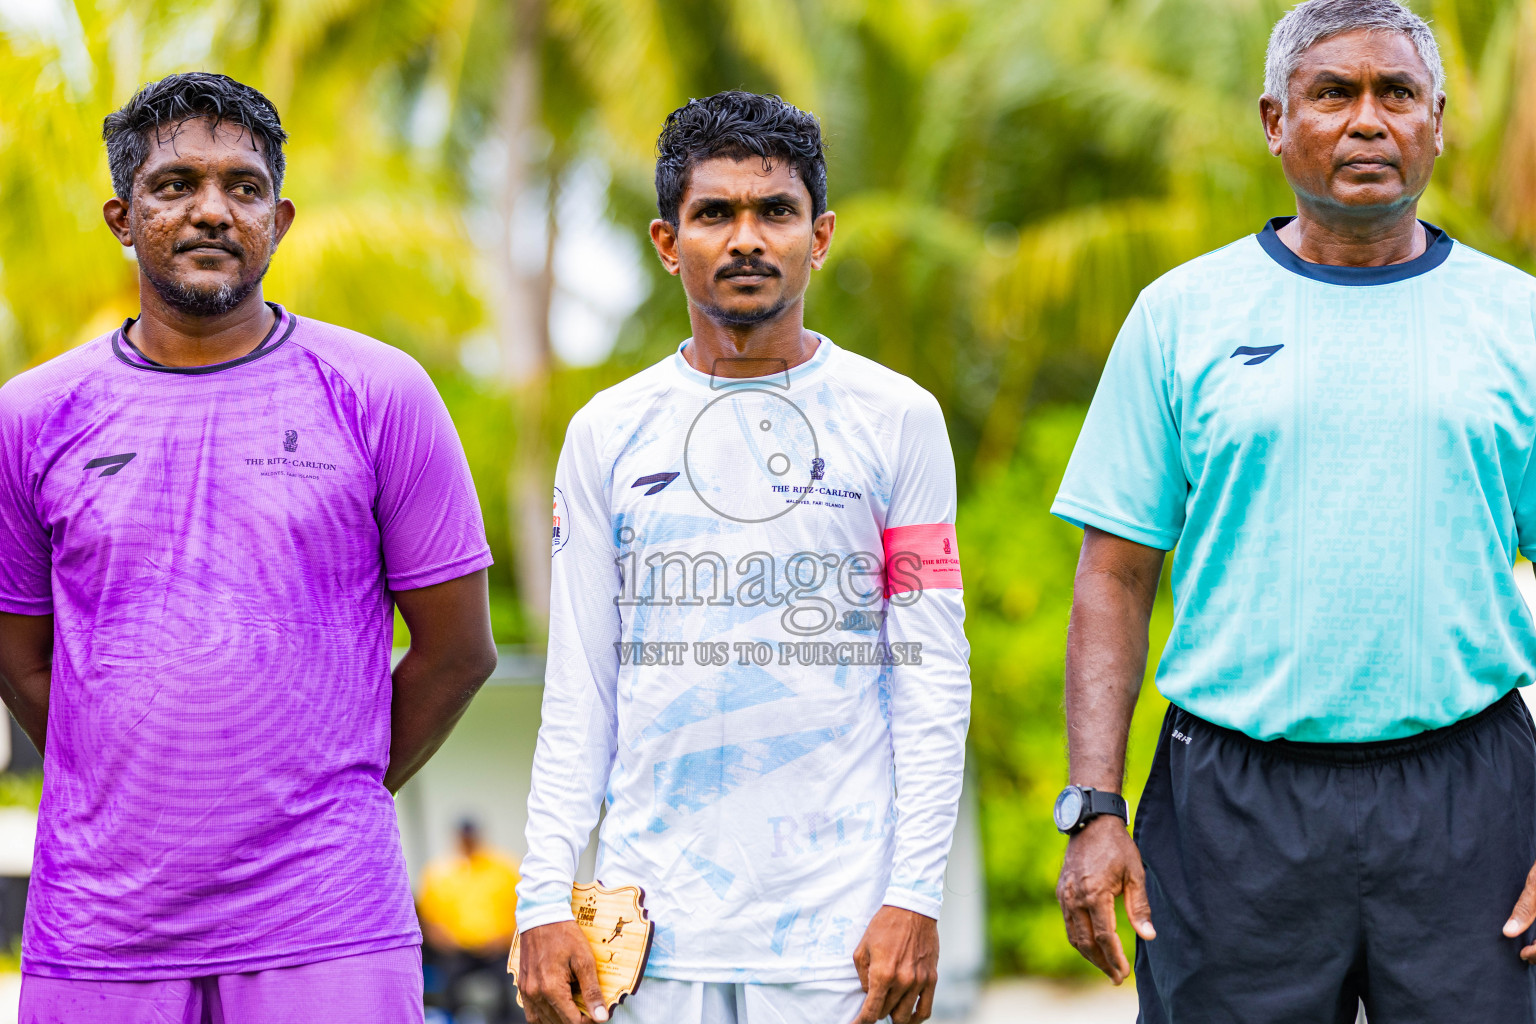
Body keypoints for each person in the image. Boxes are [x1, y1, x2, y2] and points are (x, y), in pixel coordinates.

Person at [1050, 0, 1536, 1020]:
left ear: (1439, 120)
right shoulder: (1182, 314)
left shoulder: (1517, 321)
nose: (1368, 121)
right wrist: (1093, 805)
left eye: (1397, 93)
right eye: (1333, 93)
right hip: (1231, 802)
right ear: (1276, 120)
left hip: (1471, 797)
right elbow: (1114, 571)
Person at [0, 73, 498, 1023]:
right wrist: (126, 792)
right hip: (100, 931)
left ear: (282, 217)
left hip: (328, 919)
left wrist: (328, 787)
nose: (211, 211)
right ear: (121, 213)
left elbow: (459, 651)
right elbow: (20, 660)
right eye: (175, 184)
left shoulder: (380, 392)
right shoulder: (29, 417)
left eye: (242, 186)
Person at [513, 92, 972, 1024]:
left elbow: (930, 672)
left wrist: (916, 893)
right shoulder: (607, 432)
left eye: (776, 212)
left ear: (822, 233)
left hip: (838, 940)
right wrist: (539, 897)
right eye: (715, 213)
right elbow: (580, 687)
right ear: (665, 241)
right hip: (646, 940)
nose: (747, 238)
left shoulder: (899, 420)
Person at [420, 818, 523, 1023]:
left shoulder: (503, 868)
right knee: (447, 992)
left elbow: (520, 910)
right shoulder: (440, 872)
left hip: (499, 949)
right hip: (456, 951)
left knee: (513, 992)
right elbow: (429, 921)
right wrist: (448, 943)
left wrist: (506, 939)